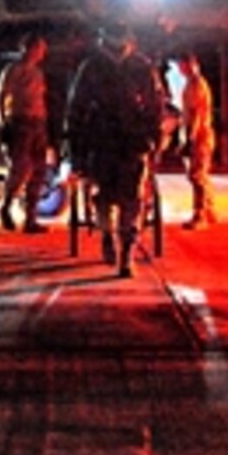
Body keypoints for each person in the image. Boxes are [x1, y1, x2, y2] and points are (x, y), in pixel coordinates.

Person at [66, 24, 165, 278]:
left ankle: (126, 253)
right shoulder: (91, 68)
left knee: (130, 199)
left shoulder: (141, 68)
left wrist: (154, 137)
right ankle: (109, 235)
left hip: (130, 141)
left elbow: (155, 106)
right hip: (102, 140)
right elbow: (76, 109)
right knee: (106, 196)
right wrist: (75, 147)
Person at [0, 34, 50, 234]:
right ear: (29, 49)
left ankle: (31, 218)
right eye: (40, 48)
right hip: (20, 122)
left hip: (38, 122)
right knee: (20, 168)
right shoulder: (13, 70)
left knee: (39, 170)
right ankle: (6, 207)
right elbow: (1, 96)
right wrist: (2, 122)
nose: (43, 53)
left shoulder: (38, 73)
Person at [175, 52, 216, 229]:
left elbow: (197, 115)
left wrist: (190, 139)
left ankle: (200, 215)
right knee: (200, 175)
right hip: (197, 135)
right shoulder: (189, 84)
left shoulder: (197, 85)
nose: (181, 69)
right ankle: (209, 210)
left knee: (197, 176)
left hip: (200, 136)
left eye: (183, 66)